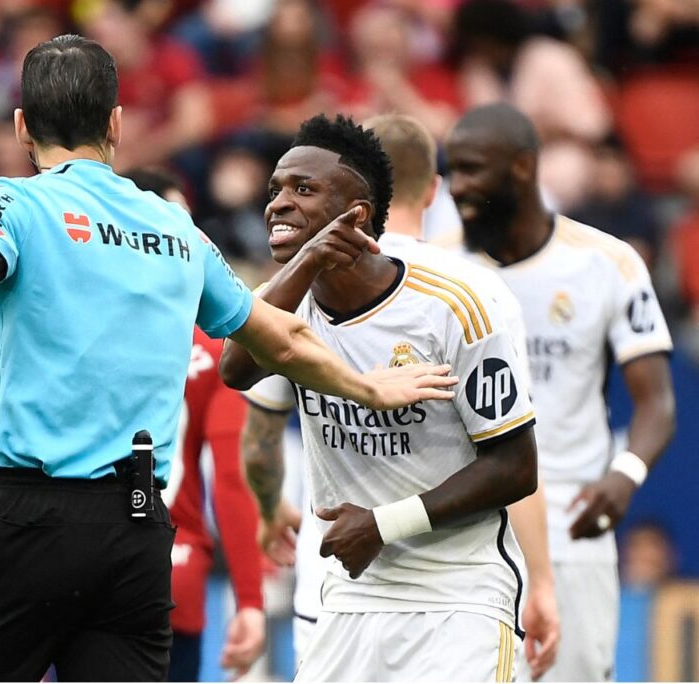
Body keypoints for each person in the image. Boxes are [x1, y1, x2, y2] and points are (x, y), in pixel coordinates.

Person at [0, 36, 458, 681]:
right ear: (117, 123)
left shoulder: (16, 205)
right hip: (137, 539)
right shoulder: (174, 229)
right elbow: (279, 338)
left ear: (22, 127)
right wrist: (367, 385)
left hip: (29, 520)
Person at [222, 113, 539, 682]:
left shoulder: (454, 305)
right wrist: (311, 259)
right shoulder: (286, 302)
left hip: (458, 596)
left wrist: (384, 524)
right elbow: (236, 370)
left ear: (357, 215)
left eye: (303, 189)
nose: (278, 204)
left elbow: (516, 466)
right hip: (349, 595)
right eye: (275, 190)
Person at [441, 102, 677, 682]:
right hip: (464, 530)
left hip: (572, 523)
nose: (457, 187)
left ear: (523, 167)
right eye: (451, 171)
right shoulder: (438, 267)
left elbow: (658, 402)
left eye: (472, 169)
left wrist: (625, 475)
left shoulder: (607, 263)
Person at [126, 167, 266, 681]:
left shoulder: (67, 333)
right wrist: (250, 600)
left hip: (73, 569)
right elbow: (233, 476)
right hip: (169, 569)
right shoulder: (212, 351)